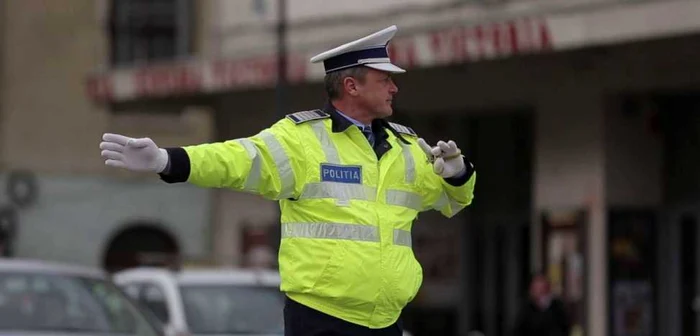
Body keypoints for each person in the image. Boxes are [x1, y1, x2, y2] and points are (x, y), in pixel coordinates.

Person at [99, 25, 476, 336]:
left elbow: (450, 201)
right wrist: (167, 159)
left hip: (387, 320)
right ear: (351, 86)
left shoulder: (405, 145)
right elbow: (237, 160)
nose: (395, 88)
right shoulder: (302, 140)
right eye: (385, 79)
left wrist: (458, 174)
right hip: (321, 319)